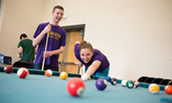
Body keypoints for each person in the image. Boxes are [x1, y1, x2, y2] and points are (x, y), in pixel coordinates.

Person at [32, 5, 66, 71]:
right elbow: (34, 43)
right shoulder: (42, 26)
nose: (59, 16)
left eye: (61, 14)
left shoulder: (62, 32)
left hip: (53, 64)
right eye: (58, 13)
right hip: (40, 62)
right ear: (52, 13)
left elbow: (62, 49)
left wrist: (51, 53)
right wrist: (44, 32)